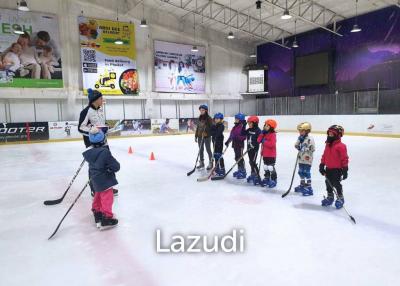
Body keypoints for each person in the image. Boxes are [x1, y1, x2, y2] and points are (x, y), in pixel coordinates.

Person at [78, 88, 118, 196]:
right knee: (95, 168)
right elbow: (80, 128)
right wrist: (91, 131)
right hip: (92, 144)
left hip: (104, 142)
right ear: (94, 100)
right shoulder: (85, 111)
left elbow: (101, 123)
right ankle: (94, 189)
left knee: (107, 165)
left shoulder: (100, 110)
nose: (102, 100)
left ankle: (108, 187)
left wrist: (107, 127)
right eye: (101, 98)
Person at [82, 130, 120, 229]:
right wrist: (110, 168)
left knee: (97, 194)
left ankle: (97, 211)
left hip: (95, 179)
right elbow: (116, 166)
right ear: (103, 140)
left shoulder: (89, 153)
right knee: (107, 198)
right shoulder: (105, 152)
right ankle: (106, 218)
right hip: (105, 180)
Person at [319, 125, 349, 209]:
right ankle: (330, 197)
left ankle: (340, 198)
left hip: (337, 169)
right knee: (328, 183)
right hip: (328, 168)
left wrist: (345, 169)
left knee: (336, 183)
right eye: (329, 134)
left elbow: (344, 158)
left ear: (338, 135)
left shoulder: (341, 146)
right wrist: (322, 164)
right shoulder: (328, 144)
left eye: (332, 134)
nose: (329, 135)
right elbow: (324, 155)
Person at [294, 122, 316, 196]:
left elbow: (313, 149)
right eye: (300, 131)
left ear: (307, 131)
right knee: (300, 171)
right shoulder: (300, 138)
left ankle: (309, 187)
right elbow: (296, 145)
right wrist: (298, 143)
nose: (300, 132)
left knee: (306, 172)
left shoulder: (310, 139)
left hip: (307, 158)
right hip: (301, 158)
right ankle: (302, 185)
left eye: (302, 131)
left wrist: (305, 148)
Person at [257, 119, 278, 188]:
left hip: (271, 155)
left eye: (267, 126)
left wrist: (264, 141)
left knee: (270, 167)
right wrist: (262, 134)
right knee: (265, 167)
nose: (265, 127)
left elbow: (272, 144)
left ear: (271, 127)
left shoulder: (273, 135)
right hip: (265, 154)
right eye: (265, 125)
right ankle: (267, 178)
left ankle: (274, 179)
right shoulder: (264, 134)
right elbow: (258, 140)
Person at [225, 113, 247, 179]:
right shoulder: (235, 127)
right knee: (237, 157)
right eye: (235, 119)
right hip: (235, 144)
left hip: (240, 145)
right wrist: (228, 141)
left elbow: (244, 137)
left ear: (240, 120)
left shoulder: (242, 127)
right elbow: (232, 135)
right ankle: (239, 169)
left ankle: (243, 171)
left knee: (240, 158)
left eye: (237, 119)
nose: (235, 120)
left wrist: (236, 137)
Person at [243, 116, 261, 185]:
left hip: (254, 149)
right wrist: (243, 126)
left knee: (253, 162)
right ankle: (253, 173)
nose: (249, 124)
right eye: (248, 123)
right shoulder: (249, 129)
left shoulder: (258, 131)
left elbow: (259, 140)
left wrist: (255, 145)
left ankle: (257, 175)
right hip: (249, 149)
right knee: (251, 162)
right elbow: (242, 133)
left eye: (250, 123)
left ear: (255, 123)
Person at [194, 104, 213, 170]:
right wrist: (196, 136)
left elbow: (212, 128)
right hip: (199, 137)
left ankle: (211, 163)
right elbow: (198, 128)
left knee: (208, 150)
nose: (201, 111)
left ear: (206, 111)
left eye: (203, 110)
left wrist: (207, 132)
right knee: (201, 150)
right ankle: (201, 163)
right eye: (200, 110)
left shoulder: (209, 118)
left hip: (207, 137)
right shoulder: (199, 118)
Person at [211, 113, 225, 177]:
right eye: (215, 118)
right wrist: (213, 131)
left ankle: (222, 169)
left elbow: (217, 133)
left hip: (219, 143)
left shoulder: (221, 126)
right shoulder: (214, 125)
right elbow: (211, 132)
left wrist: (213, 131)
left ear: (221, 119)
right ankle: (217, 168)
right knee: (215, 155)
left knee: (219, 155)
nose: (216, 120)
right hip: (214, 142)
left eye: (217, 119)